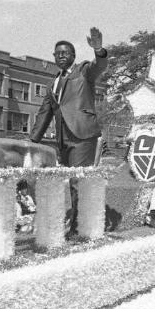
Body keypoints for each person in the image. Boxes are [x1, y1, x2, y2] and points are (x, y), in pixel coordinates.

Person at [29, 27, 108, 235]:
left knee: (77, 182)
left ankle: (78, 228)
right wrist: (32, 141)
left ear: (73, 55)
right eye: (57, 54)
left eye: (65, 53)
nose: (61, 56)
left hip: (83, 135)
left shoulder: (83, 71)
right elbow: (44, 113)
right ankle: (80, 224)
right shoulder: (52, 83)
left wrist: (98, 48)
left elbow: (99, 66)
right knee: (70, 182)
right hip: (62, 140)